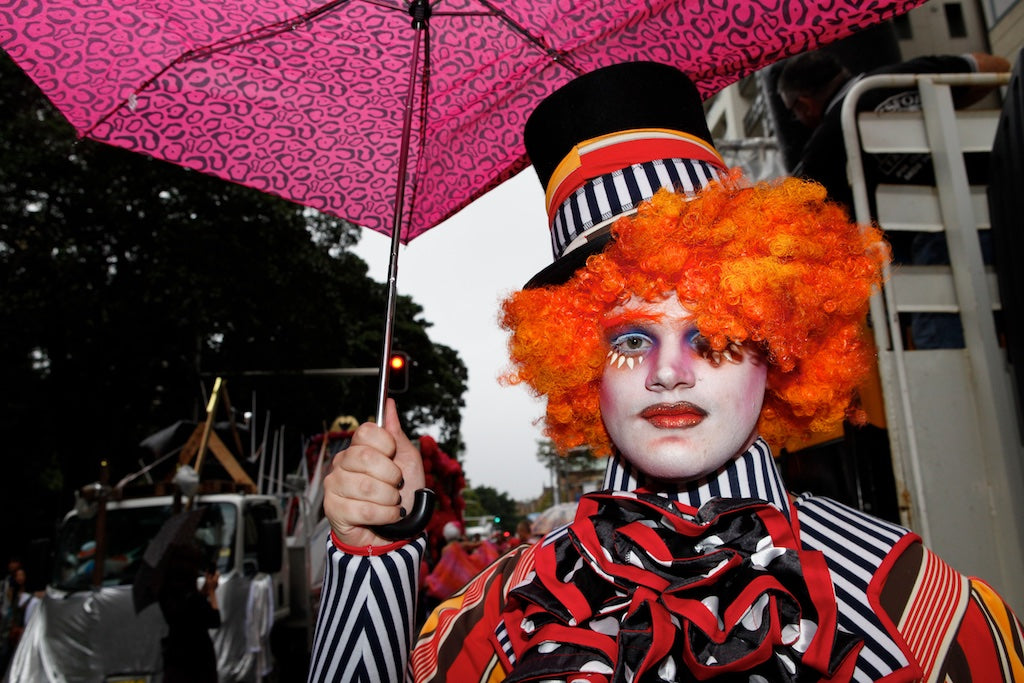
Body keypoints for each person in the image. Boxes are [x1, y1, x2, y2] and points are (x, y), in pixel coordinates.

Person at [309, 62, 1023, 682]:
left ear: (772, 347)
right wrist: (372, 558)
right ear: (583, 366)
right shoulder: (494, 617)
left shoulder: (916, 605)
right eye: (628, 339)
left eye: (711, 331)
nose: (669, 373)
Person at [777, 49, 1011, 349]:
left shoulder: (824, 146)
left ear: (804, 104)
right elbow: (997, 66)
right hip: (998, 207)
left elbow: (804, 225)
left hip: (933, 255)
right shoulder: (903, 76)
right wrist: (943, 106)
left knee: (941, 348)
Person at [158, 542, 221, 683]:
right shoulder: (193, 599)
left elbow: (187, 610)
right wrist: (211, 591)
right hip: (198, 661)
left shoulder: (166, 594)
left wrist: (204, 592)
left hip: (176, 659)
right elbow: (214, 619)